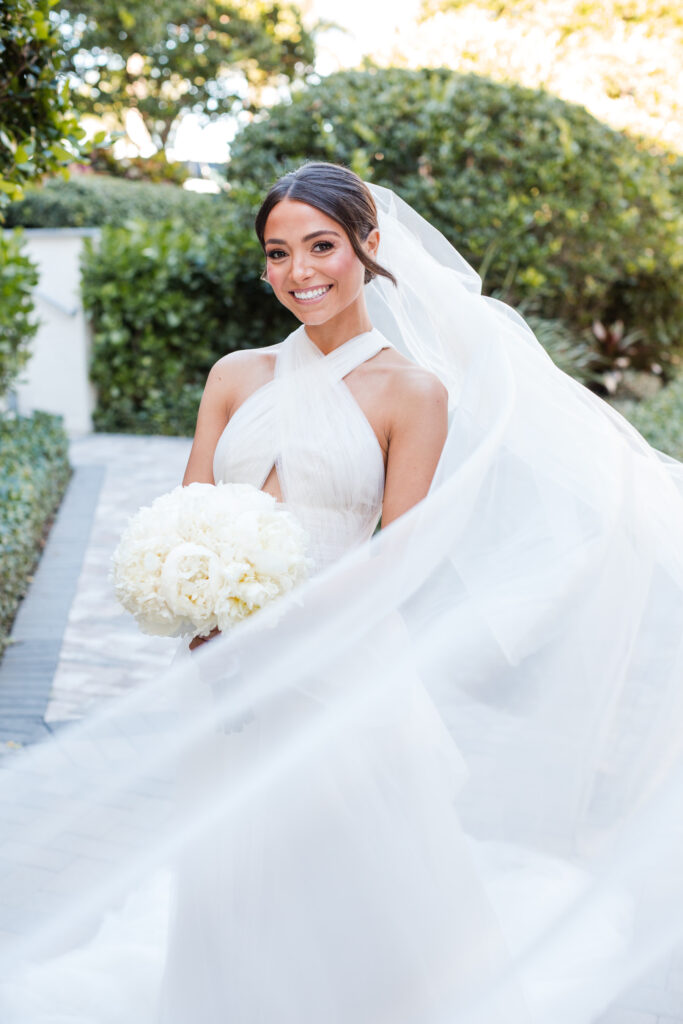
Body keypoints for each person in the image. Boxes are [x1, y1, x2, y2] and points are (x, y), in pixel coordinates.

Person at [1, 162, 683, 1024]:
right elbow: (190, 510)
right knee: (233, 856)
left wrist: (287, 625)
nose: (299, 272)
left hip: (343, 663)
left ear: (366, 248)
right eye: (277, 254)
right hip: (223, 671)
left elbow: (403, 553)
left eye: (320, 246)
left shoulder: (412, 391)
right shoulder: (234, 376)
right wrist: (195, 604)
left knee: (350, 865)